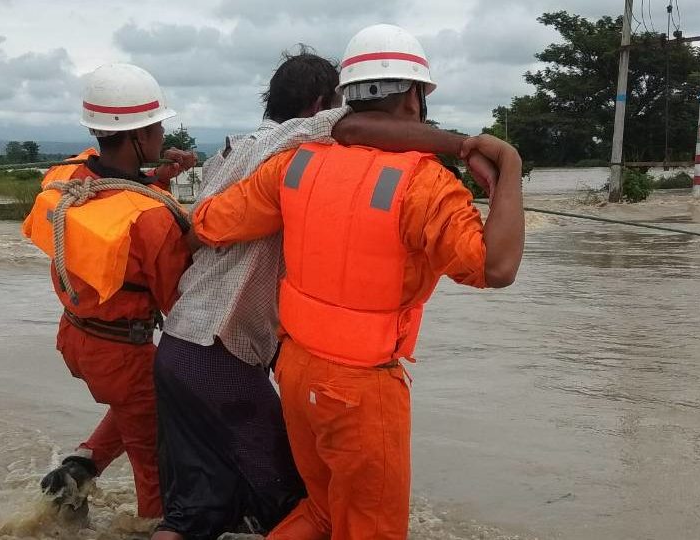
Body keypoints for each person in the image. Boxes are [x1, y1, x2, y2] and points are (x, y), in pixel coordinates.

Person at [185, 24, 525, 540]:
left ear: (346, 95)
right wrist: (510, 169)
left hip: (295, 371)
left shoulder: (296, 163)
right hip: (362, 390)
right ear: (415, 95)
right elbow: (494, 268)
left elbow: (208, 223)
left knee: (322, 513)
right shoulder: (425, 182)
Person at [22, 63, 197, 520]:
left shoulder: (70, 176)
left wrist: (156, 178)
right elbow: (177, 302)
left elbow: (114, 201)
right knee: (155, 466)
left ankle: (80, 466)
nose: (163, 134)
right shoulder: (154, 218)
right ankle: (153, 525)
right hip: (124, 352)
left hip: (76, 335)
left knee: (136, 407)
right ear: (140, 136)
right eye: (158, 127)